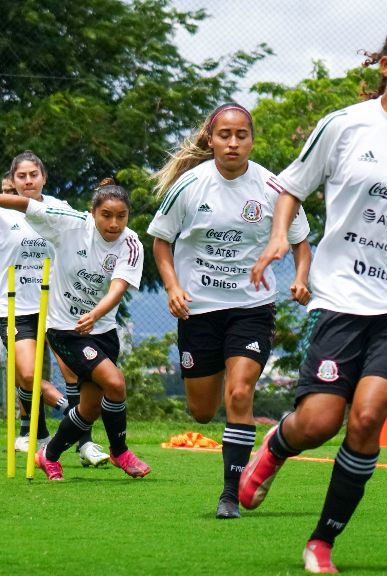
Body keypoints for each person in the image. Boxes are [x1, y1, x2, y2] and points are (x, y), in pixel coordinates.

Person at [238, 14, 387, 573]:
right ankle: (277, 445)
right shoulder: (344, 126)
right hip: (344, 299)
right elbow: (291, 188)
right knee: (318, 422)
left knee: (368, 417)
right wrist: (279, 237)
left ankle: (321, 542)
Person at [148, 103, 312, 520]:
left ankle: (229, 493)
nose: (233, 143)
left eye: (242, 135)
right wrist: (172, 287)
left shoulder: (274, 189)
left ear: (252, 140)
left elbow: (301, 241)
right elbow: (161, 242)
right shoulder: (190, 186)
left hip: (251, 307)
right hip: (199, 310)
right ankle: (237, 444)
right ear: (211, 140)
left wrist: (301, 277)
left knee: (239, 392)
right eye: (225, 135)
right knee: (203, 411)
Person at [0, 178, 151, 480]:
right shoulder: (69, 224)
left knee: (89, 408)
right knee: (115, 384)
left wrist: (96, 313)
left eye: (121, 216)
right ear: (92, 213)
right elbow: (23, 205)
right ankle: (120, 452)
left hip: (102, 329)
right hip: (65, 329)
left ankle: (48, 455)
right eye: (106, 215)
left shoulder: (131, 243)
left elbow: (118, 287)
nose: (114, 223)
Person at [0, 152, 108, 467]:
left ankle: (85, 444)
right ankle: (45, 431)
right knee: (29, 374)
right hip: (15, 308)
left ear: (44, 177)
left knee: (74, 371)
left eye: (34, 174)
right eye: (22, 176)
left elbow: (87, 234)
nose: (29, 180)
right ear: (13, 181)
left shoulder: (58, 208)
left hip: (59, 306)